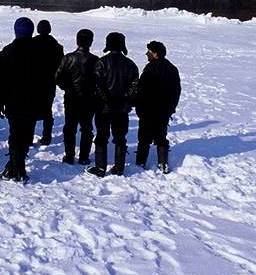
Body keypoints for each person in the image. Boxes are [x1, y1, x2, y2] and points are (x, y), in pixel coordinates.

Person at [0, 17, 41, 182]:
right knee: (27, 135)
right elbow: (45, 79)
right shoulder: (39, 52)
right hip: (33, 100)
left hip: (13, 101)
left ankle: (16, 169)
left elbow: (0, 80)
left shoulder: (7, 52)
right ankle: (16, 167)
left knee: (15, 135)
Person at [87, 32, 138, 177]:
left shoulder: (101, 62)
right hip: (121, 109)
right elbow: (134, 86)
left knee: (102, 137)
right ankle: (119, 168)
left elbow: (96, 85)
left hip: (103, 108)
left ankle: (100, 168)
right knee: (120, 137)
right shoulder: (130, 64)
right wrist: (124, 99)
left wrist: (106, 99)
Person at [134, 41, 181, 174]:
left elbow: (141, 90)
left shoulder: (150, 69)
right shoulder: (172, 68)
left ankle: (140, 162)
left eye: (149, 52)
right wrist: (171, 108)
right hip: (164, 110)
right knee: (161, 137)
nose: (146, 54)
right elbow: (176, 91)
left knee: (144, 138)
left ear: (155, 54)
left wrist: (139, 107)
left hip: (148, 110)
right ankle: (163, 163)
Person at [55, 28, 99, 165]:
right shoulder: (95, 60)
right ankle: (84, 157)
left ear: (77, 41)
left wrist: (68, 88)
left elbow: (57, 77)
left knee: (70, 127)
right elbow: (99, 81)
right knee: (86, 128)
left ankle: (69, 156)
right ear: (91, 42)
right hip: (88, 99)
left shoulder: (68, 58)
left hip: (72, 98)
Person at [32, 19, 63, 145]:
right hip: (49, 83)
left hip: (33, 82)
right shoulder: (57, 47)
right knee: (47, 110)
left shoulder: (31, 44)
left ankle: (29, 136)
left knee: (31, 109)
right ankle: (47, 136)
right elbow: (61, 66)